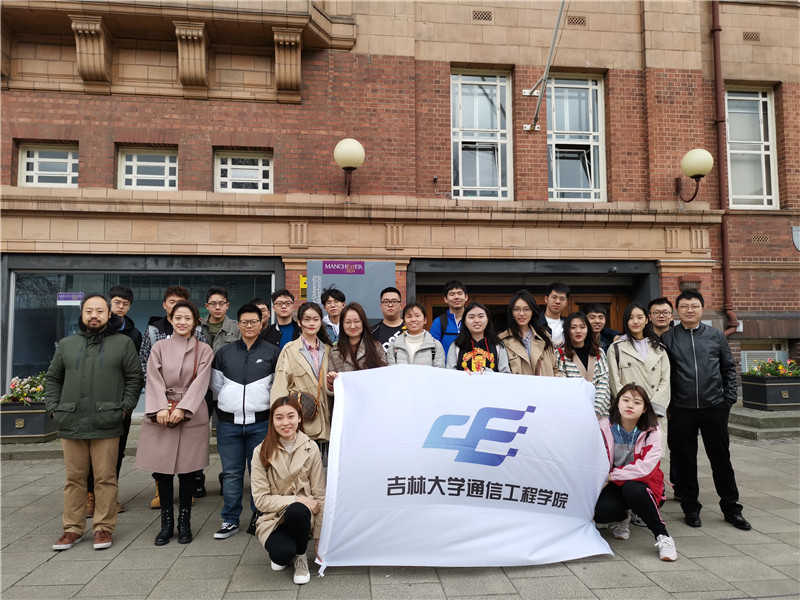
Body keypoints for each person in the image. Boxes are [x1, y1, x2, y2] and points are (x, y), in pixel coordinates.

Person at [46, 294, 143, 551]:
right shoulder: (67, 344)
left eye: (99, 311)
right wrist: (54, 409)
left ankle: (103, 527)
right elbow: (53, 378)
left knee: (105, 478)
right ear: (82, 313)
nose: (94, 315)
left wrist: (124, 410)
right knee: (74, 479)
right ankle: (72, 529)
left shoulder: (123, 343)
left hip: (107, 421)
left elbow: (135, 378)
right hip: (71, 421)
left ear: (109, 314)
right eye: (89, 310)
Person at [661, 290, 750, 531]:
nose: (689, 310)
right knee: (685, 460)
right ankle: (690, 508)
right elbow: (664, 374)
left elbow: (728, 368)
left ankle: (731, 508)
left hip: (714, 407)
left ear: (702, 308)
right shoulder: (668, 338)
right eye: (684, 306)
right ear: (677, 311)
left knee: (721, 460)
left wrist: (728, 400)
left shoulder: (715, 336)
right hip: (682, 409)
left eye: (694, 306)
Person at [134, 301, 214, 546]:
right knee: (163, 471)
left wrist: (183, 408)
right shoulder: (159, 347)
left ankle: (184, 521)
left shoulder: (204, 350)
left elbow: (201, 382)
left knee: (189, 470)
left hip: (191, 412)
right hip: (162, 413)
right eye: (178, 317)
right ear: (170, 319)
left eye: (187, 318)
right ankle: (166, 523)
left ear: (196, 322)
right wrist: (159, 407)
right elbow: (153, 377)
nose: (182, 322)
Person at [211, 304, 280, 540]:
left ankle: (258, 517)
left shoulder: (273, 352)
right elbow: (217, 386)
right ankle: (230, 519)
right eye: (244, 322)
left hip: (260, 423)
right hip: (228, 424)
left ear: (261, 325)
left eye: (254, 322)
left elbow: (276, 386)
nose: (249, 326)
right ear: (238, 325)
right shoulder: (224, 353)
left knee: (259, 472)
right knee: (231, 473)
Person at [595, 384, 677, 562]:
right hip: (613, 485)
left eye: (637, 402)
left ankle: (663, 536)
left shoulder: (652, 430)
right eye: (625, 400)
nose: (630, 405)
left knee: (632, 488)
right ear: (617, 403)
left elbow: (645, 469)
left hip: (642, 485)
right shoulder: (603, 427)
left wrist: (612, 475)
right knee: (601, 512)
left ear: (645, 408)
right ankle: (623, 516)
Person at [251, 394, 325, 585]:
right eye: (279, 417)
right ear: (272, 420)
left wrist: (320, 538)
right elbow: (260, 500)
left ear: (299, 418)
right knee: (281, 555)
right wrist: (298, 499)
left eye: (291, 416)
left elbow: (319, 494)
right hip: (273, 517)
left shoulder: (311, 448)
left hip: (302, 516)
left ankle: (301, 556)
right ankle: (289, 549)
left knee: (297, 511)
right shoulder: (260, 451)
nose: (285, 422)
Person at [85, 284, 142, 518]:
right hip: (93, 400)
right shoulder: (94, 329)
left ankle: (109, 495)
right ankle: (90, 494)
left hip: (119, 402)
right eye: (117, 302)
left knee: (116, 451)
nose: (120, 307)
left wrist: (128, 403)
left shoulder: (134, 334)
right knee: (91, 450)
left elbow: (134, 371)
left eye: (125, 304)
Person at [271, 302, 333, 442]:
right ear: (299, 322)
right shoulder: (290, 350)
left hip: (326, 422)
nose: (311, 323)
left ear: (320, 322)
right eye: (307, 319)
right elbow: (280, 387)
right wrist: (281, 419)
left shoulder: (328, 350)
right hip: (301, 423)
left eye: (316, 319)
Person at [607, 303, 670, 424]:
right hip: (628, 412)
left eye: (640, 317)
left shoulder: (659, 349)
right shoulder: (616, 348)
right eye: (631, 318)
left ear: (647, 319)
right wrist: (631, 405)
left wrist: (652, 408)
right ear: (626, 321)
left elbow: (665, 381)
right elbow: (614, 381)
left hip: (654, 413)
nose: (635, 321)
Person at [556, 312, 611, 418]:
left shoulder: (598, 353)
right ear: (567, 330)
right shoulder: (560, 355)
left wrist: (595, 412)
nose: (578, 331)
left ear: (588, 329)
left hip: (599, 416)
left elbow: (604, 384)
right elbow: (563, 387)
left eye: (582, 327)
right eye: (573, 327)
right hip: (573, 414)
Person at [326, 303, 386, 393]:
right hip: (347, 400)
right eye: (348, 322)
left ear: (363, 322)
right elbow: (332, 390)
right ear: (342, 325)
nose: (353, 326)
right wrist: (331, 383)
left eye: (357, 321)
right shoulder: (335, 352)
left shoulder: (376, 347)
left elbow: (384, 377)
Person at [498, 290, 559, 376]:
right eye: (516, 309)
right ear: (511, 312)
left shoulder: (544, 336)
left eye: (526, 309)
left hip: (545, 384)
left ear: (532, 311)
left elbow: (555, 369)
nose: (521, 313)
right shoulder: (502, 340)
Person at [446, 302, 510, 373]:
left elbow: (505, 374)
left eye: (481, 316)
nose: (476, 320)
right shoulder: (456, 346)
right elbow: (450, 374)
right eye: (471, 317)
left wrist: (488, 373)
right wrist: (463, 375)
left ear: (487, 320)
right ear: (465, 321)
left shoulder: (498, 345)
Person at [386, 302, 446, 367]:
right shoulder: (394, 345)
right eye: (409, 316)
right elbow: (392, 371)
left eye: (417, 316)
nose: (413, 320)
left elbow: (438, 371)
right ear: (404, 322)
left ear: (425, 320)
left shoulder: (435, 346)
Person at [429, 280, 468, 355]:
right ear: (445, 299)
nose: (456, 297)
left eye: (459, 293)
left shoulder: (473, 321)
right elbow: (433, 350)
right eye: (452, 294)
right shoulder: (439, 322)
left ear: (466, 297)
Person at [200, 286, 241, 353]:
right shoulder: (199, 326)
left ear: (227, 305)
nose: (217, 307)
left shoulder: (237, 328)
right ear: (207, 306)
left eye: (221, 303)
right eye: (213, 304)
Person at [538, 282, 569, 347]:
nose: (557, 301)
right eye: (554, 297)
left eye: (562, 299)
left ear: (566, 303)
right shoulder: (535, 322)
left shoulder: (568, 324)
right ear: (546, 299)